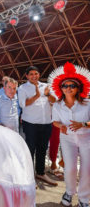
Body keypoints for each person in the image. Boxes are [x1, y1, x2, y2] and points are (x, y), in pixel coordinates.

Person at [49, 62, 90, 207]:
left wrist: (83, 124)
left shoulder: (87, 103)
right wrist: (61, 126)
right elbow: (55, 122)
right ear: (60, 88)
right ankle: (69, 191)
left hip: (87, 138)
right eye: (65, 86)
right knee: (70, 168)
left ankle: (84, 198)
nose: (68, 88)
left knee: (87, 168)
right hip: (67, 139)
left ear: (79, 88)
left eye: (72, 86)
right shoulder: (57, 105)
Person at [18, 66, 57, 186]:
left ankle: (40, 172)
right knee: (30, 149)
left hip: (46, 123)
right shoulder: (22, 88)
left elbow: (53, 101)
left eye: (36, 73)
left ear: (39, 74)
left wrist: (48, 94)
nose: (34, 76)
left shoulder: (46, 86)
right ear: (27, 76)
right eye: (31, 74)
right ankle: (29, 176)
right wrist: (37, 95)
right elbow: (23, 104)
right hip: (30, 124)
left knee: (42, 149)